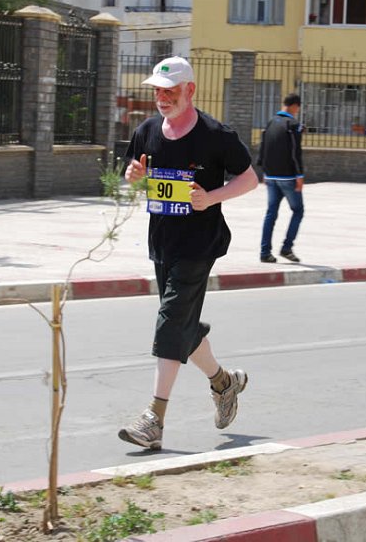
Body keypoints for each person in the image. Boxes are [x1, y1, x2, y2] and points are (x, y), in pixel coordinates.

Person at [119, 56, 258, 450]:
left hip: (199, 243)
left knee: (170, 320)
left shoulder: (215, 135)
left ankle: (154, 419)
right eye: (158, 92)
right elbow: (135, 173)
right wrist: (134, 176)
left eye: (171, 91)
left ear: (190, 90)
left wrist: (210, 198)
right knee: (181, 324)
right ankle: (224, 383)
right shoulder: (147, 131)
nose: (162, 98)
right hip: (162, 241)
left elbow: (250, 179)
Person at [258, 93, 305, 263]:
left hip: (270, 176)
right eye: (297, 108)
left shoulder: (271, 122)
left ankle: (265, 252)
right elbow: (295, 152)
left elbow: (263, 147)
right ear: (294, 106)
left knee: (271, 213)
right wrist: (299, 175)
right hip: (288, 178)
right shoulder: (293, 125)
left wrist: (264, 171)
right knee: (298, 210)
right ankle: (286, 247)